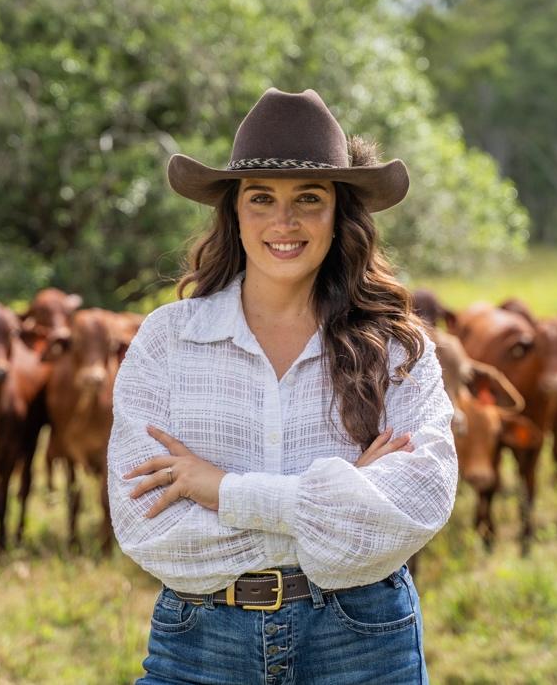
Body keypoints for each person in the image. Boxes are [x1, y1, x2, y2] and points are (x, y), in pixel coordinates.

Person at [108, 87, 458, 685]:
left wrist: (220, 488)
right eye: (262, 198)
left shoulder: (396, 346)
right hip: (201, 642)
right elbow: (150, 528)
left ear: (339, 213)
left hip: (362, 640)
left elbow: (417, 504)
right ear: (234, 212)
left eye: (309, 199)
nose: (284, 221)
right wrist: (342, 503)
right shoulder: (168, 340)